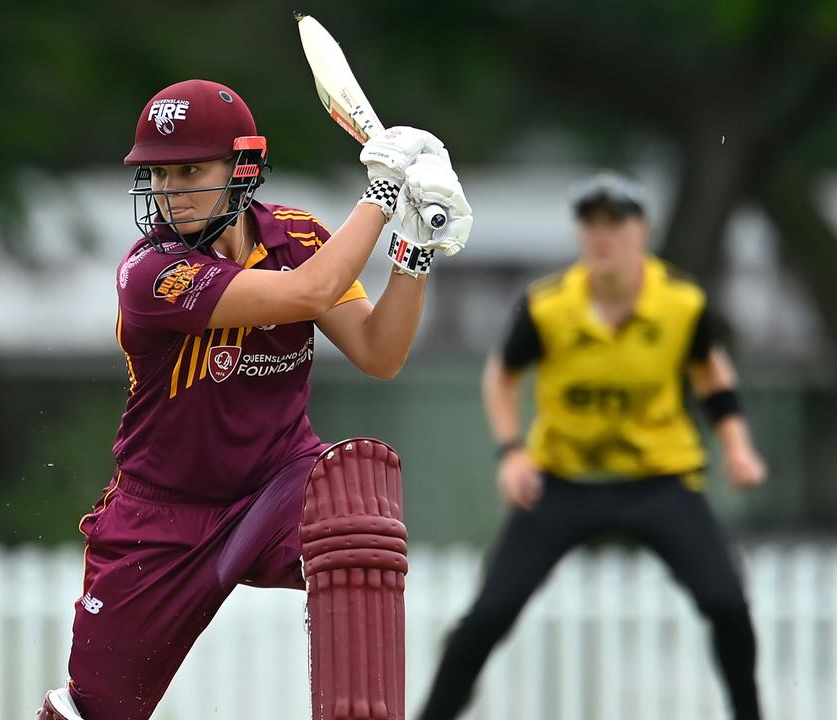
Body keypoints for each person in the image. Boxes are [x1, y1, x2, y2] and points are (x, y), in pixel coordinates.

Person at [37, 78, 472, 719]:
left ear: (243, 168)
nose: (171, 190)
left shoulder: (297, 235)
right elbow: (305, 295)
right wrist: (382, 195)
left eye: (191, 169)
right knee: (95, 712)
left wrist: (415, 248)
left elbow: (380, 353)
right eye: (159, 173)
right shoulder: (152, 273)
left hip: (276, 484)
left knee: (355, 516)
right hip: (161, 519)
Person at [415, 171, 766, 720]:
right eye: (591, 224)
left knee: (727, 603)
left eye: (615, 224)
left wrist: (738, 447)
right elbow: (500, 377)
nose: (602, 237)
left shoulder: (680, 304)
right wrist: (511, 452)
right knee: (489, 613)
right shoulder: (549, 306)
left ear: (642, 231)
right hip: (563, 479)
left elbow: (713, 377)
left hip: (659, 480)